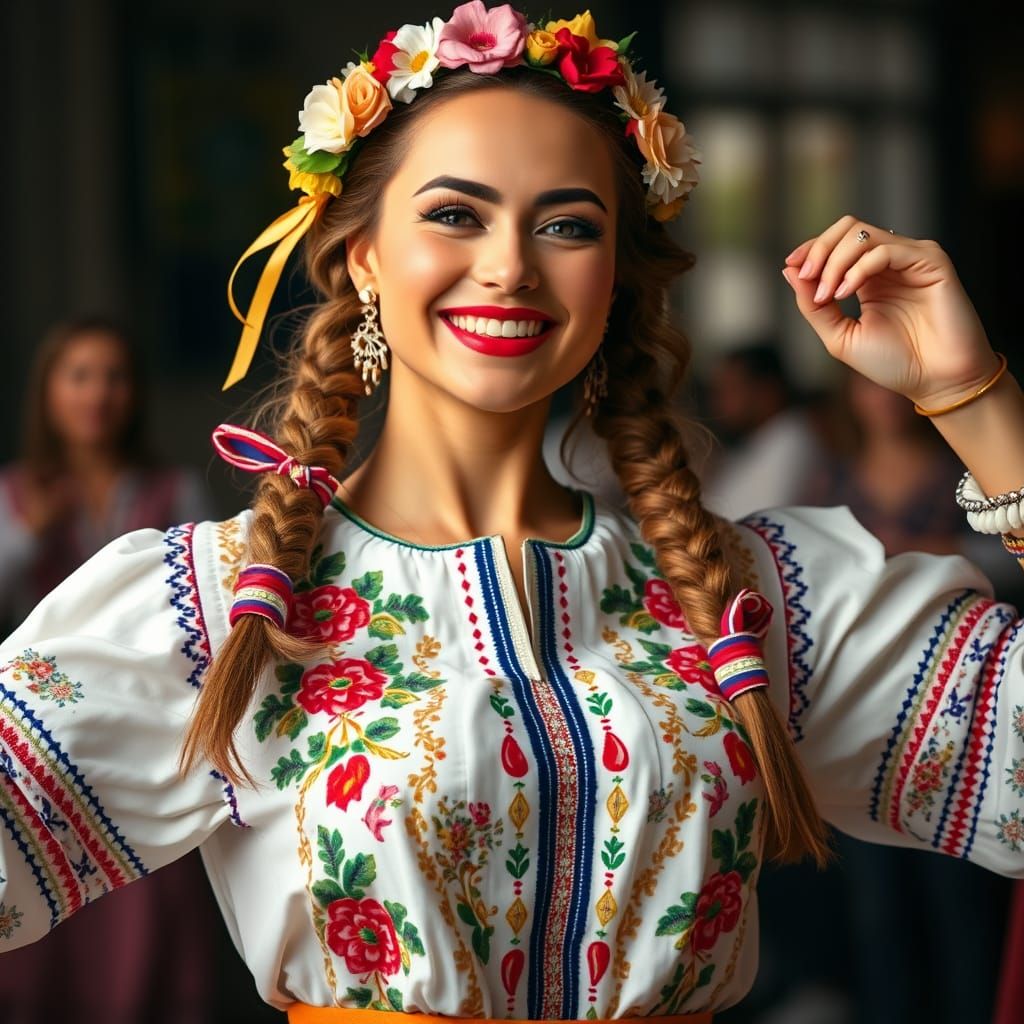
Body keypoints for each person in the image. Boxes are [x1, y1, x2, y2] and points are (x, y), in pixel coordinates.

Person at [3, 6, 1024, 1022]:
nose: (509, 266)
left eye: (568, 225)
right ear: (361, 252)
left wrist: (973, 397)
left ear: (616, 276)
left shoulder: (751, 604)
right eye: (455, 213)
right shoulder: (219, 610)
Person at [0, 316, 228, 1023]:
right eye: (79, 376)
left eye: (113, 375)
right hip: (41, 749)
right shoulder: (12, 493)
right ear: (49, 392)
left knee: (151, 910)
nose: (97, 393)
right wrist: (26, 534)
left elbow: (210, 620)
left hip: (145, 740)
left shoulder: (172, 491)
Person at [700, 341, 826, 521]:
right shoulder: (759, 440)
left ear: (767, 390)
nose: (720, 402)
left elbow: (764, 522)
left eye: (733, 389)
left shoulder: (793, 442)